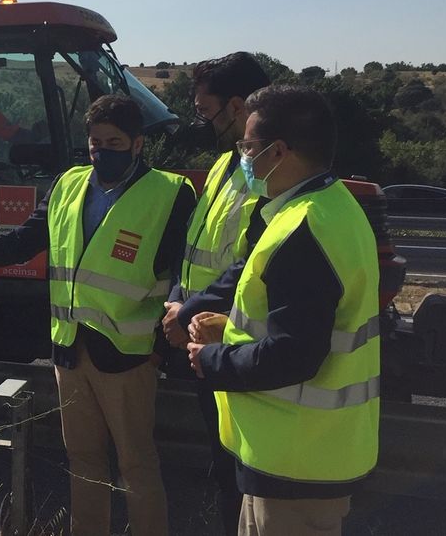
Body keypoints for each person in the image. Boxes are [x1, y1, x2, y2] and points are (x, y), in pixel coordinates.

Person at [0, 95, 195, 536]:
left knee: (136, 464)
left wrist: (162, 349)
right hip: (70, 350)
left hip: (130, 355)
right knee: (83, 461)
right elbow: (22, 242)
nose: (101, 152)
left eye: (113, 142)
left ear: (138, 144)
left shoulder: (171, 193)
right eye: (95, 142)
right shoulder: (69, 185)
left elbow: (180, 273)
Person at [184, 85, 380, 536]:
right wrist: (229, 328)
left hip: (297, 462)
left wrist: (211, 359)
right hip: (305, 453)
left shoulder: (302, 229)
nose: (244, 158)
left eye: (249, 147)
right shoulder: (330, 207)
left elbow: (295, 354)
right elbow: (305, 323)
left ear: (279, 151)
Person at [160, 51, 271, 535]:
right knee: (225, 467)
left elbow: (254, 259)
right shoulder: (229, 165)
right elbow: (199, 250)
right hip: (206, 336)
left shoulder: (261, 174)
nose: (204, 123)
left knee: (241, 473)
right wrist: (179, 300)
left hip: (238, 340)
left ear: (239, 106)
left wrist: (192, 307)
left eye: (207, 113)